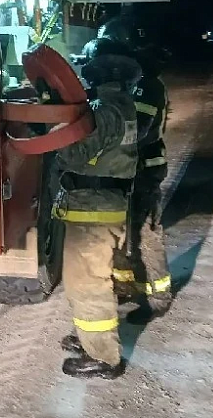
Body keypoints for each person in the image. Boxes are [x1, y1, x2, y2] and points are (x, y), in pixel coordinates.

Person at [54, 37, 141, 379]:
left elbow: (72, 155)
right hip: (103, 206)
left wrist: (60, 132)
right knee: (90, 278)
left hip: (93, 211)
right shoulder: (123, 105)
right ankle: (90, 338)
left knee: (87, 283)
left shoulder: (106, 111)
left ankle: (104, 357)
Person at [96, 17, 173, 319]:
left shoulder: (147, 83)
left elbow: (136, 130)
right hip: (122, 169)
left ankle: (158, 298)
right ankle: (125, 288)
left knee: (145, 232)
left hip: (143, 169)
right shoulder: (126, 82)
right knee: (118, 234)